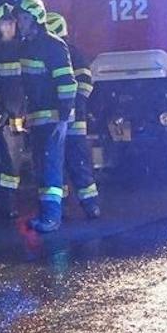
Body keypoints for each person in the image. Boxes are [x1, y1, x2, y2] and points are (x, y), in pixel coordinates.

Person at [13, 0, 76, 233]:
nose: (21, 22)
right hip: (38, 117)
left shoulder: (53, 45)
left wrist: (63, 115)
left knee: (50, 165)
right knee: (41, 166)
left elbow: (67, 83)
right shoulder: (27, 46)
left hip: (52, 117)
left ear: (37, 19)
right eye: (19, 18)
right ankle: (45, 215)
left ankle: (52, 218)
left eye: (25, 18)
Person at [44, 12, 100, 219]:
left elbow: (85, 85)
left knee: (77, 162)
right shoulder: (53, 51)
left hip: (73, 120)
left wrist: (73, 105)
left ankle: (90, 204)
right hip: (59, 119)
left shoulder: (73, 54)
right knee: (60, 164)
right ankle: (66, 204)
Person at [0, 2, 25, 219]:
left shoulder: (23, 50)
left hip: (15, 116)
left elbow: (26, 86)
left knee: (12, 161)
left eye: (11, 23)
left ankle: (8, 206)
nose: (8, 27)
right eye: (4, 23)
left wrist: (16, 112)